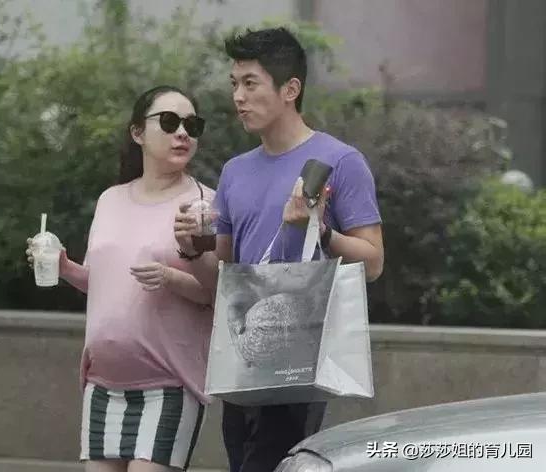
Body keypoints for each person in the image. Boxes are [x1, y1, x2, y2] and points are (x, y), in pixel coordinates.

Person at [173, 28, 384, 472]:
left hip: (299, 358)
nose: (238, 97)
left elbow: (373, 263)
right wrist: (193, 248)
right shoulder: (234, 171)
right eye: (234, 83)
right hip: (243, 359)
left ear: (290, 89)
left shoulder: (339, 161)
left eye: (250, 83)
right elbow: (226, 274)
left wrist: (320, 232)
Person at [27, 85, 214, 472]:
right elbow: (105, 284)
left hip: (169, 383)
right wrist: (65, 267)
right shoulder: (110, 199)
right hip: (103, 382)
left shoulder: (204, 205)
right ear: (137, 132)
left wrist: (170, 277)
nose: (183, 133)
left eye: (192, 125)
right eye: (169, 122)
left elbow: (218, 293)